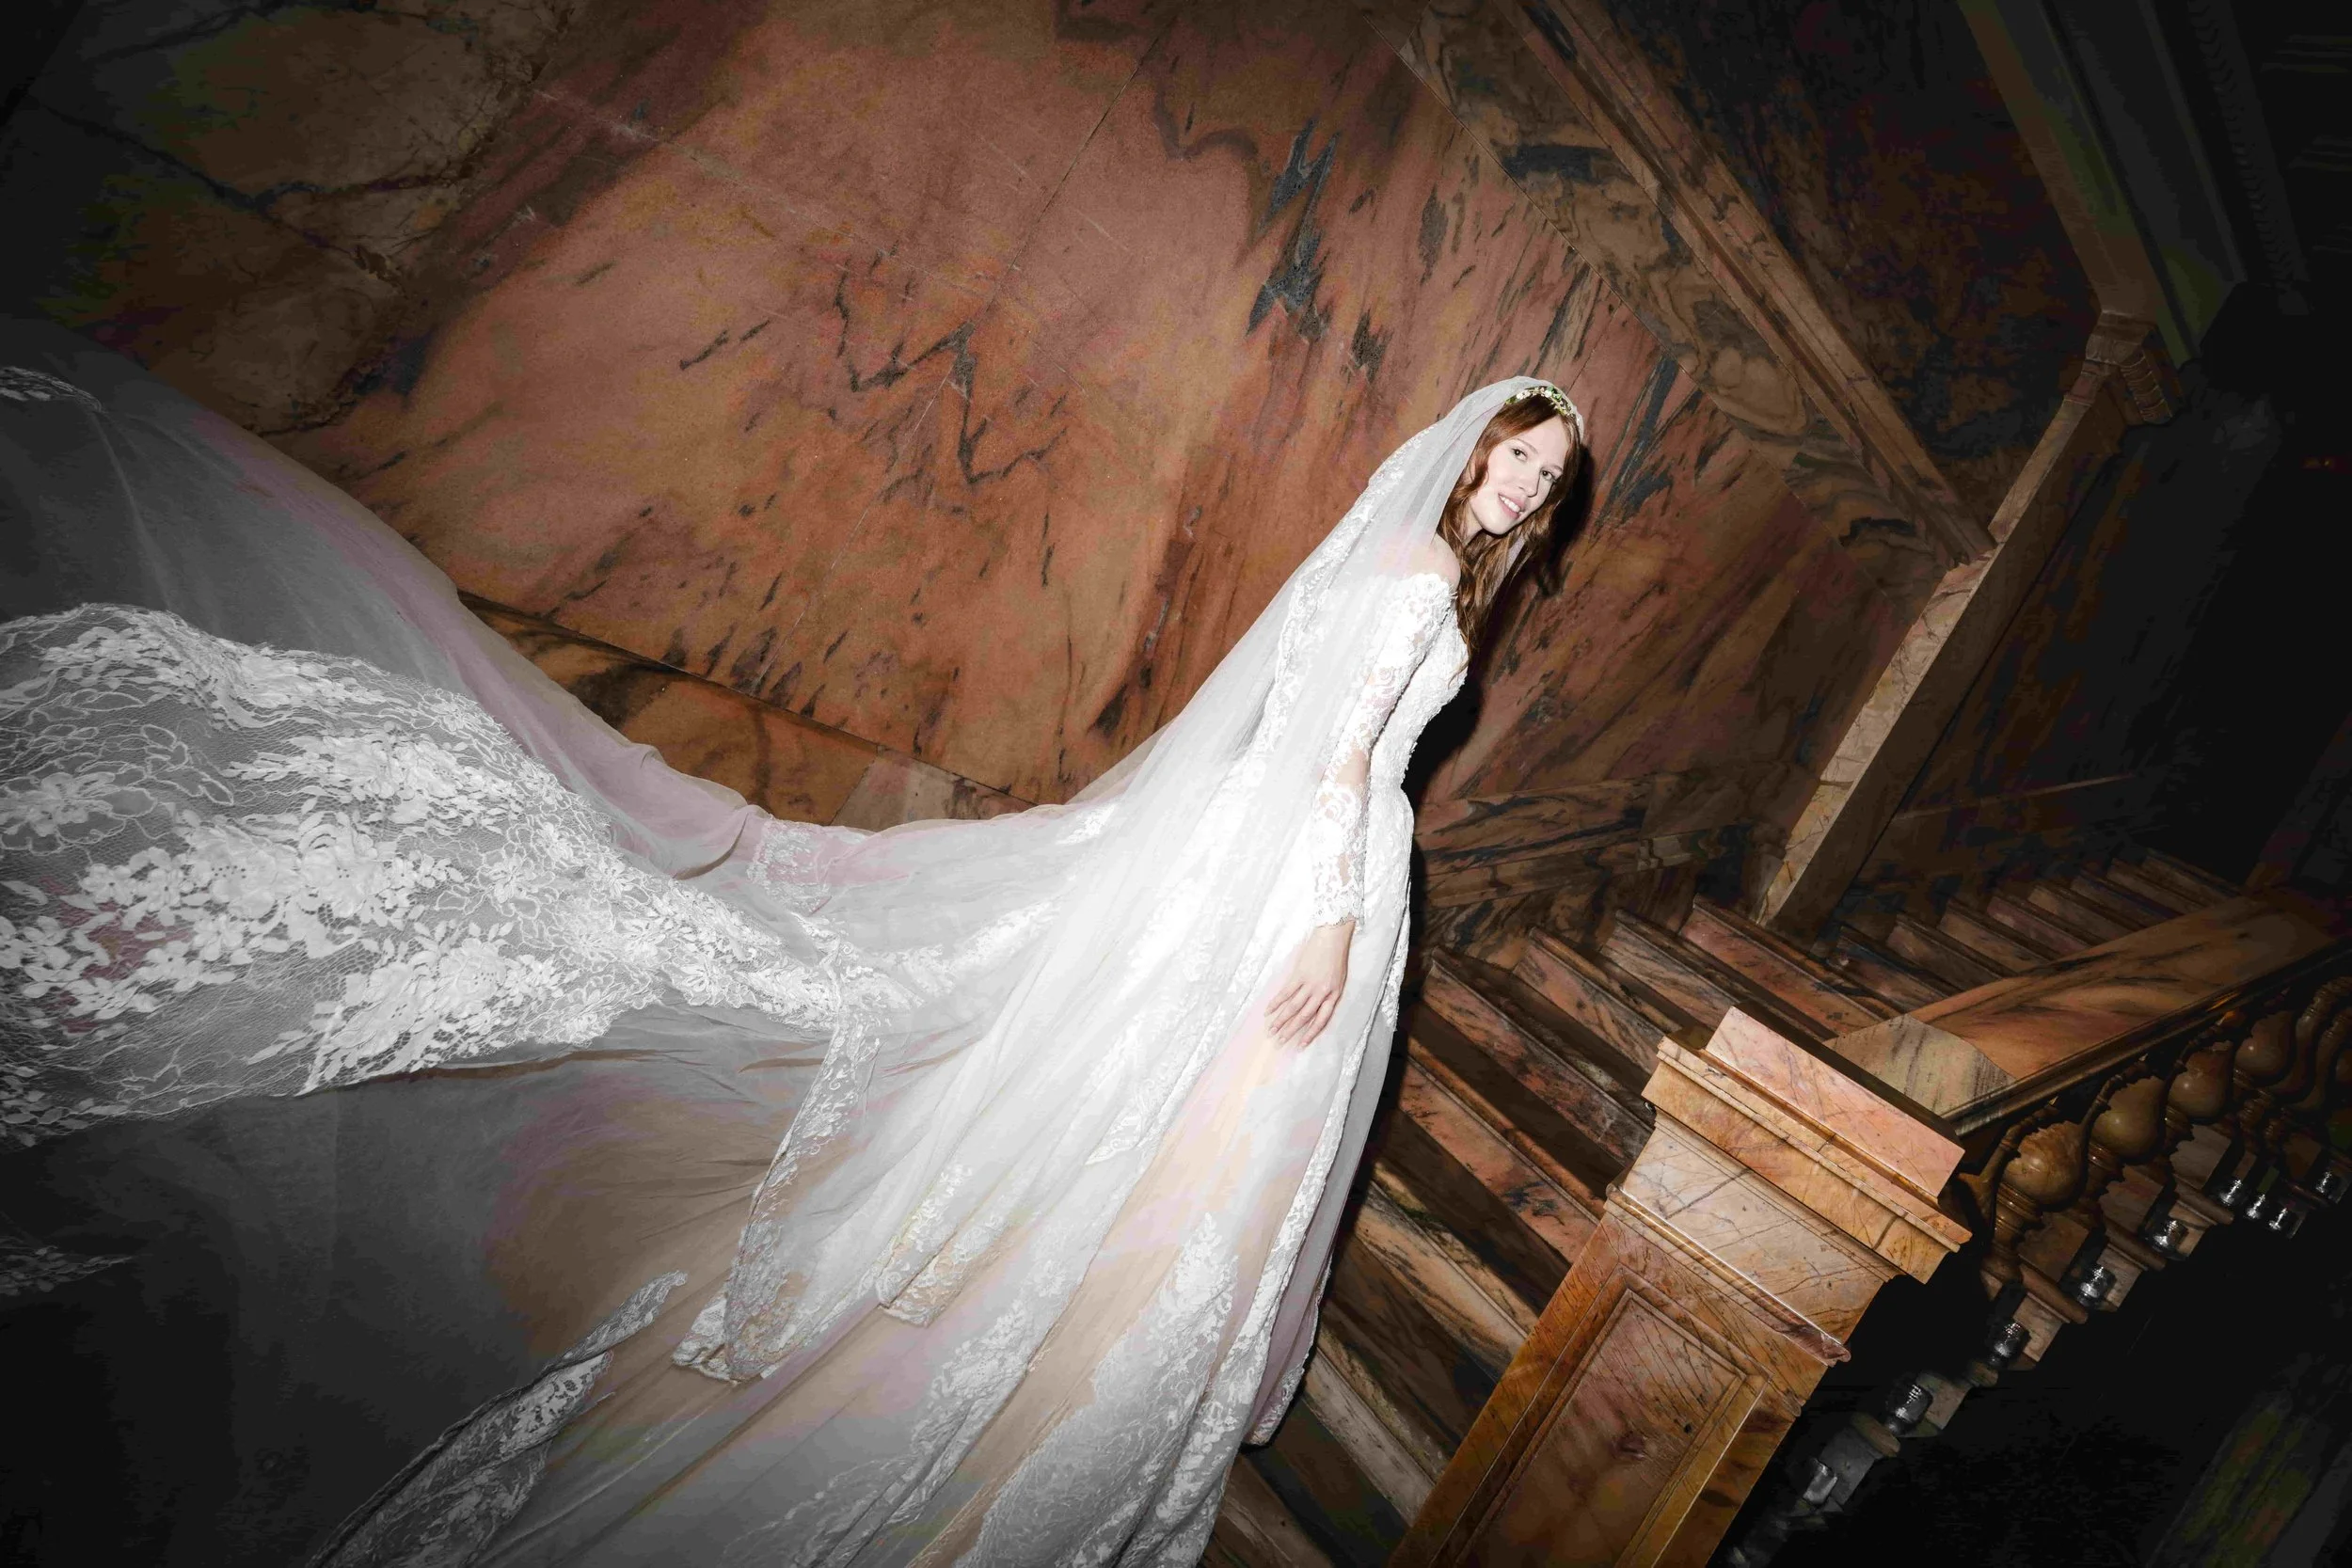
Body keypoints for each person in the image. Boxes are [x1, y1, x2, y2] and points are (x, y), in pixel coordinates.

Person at [0, 322, 1588, 1567]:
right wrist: (1325, 914)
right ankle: (1079, 1364)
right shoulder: (1412, 579)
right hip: (1305, 871)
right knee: (1218, 1110)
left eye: (1546, 487)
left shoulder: (1406, 562)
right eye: (1519, 461)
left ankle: (1095, 1316)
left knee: (1170, 1107)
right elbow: (1331, 764)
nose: (1522, 492)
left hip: (1267, 861)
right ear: (1474, 444)